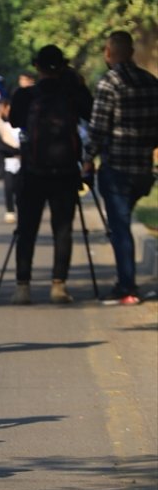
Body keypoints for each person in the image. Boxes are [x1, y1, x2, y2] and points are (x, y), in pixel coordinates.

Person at [9, 45, 94, 304]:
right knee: (63, 229)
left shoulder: (26, 95)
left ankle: (23, 286)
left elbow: (14, 121)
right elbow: (90, 113)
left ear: (37, 67)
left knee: (27, 230)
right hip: (66, 173)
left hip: (33, 172)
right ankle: (58, 285)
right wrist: (77, 83)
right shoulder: (73, 94)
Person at [86, 30, 158, 305]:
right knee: (123, 221)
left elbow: (98, 128)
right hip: (142, 168)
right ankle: (126, 282)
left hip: (117, 168)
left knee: (120, 226)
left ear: (109, 52)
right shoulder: (151, 82)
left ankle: (127, 286)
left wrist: (87, 157)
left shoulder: (109, 83)